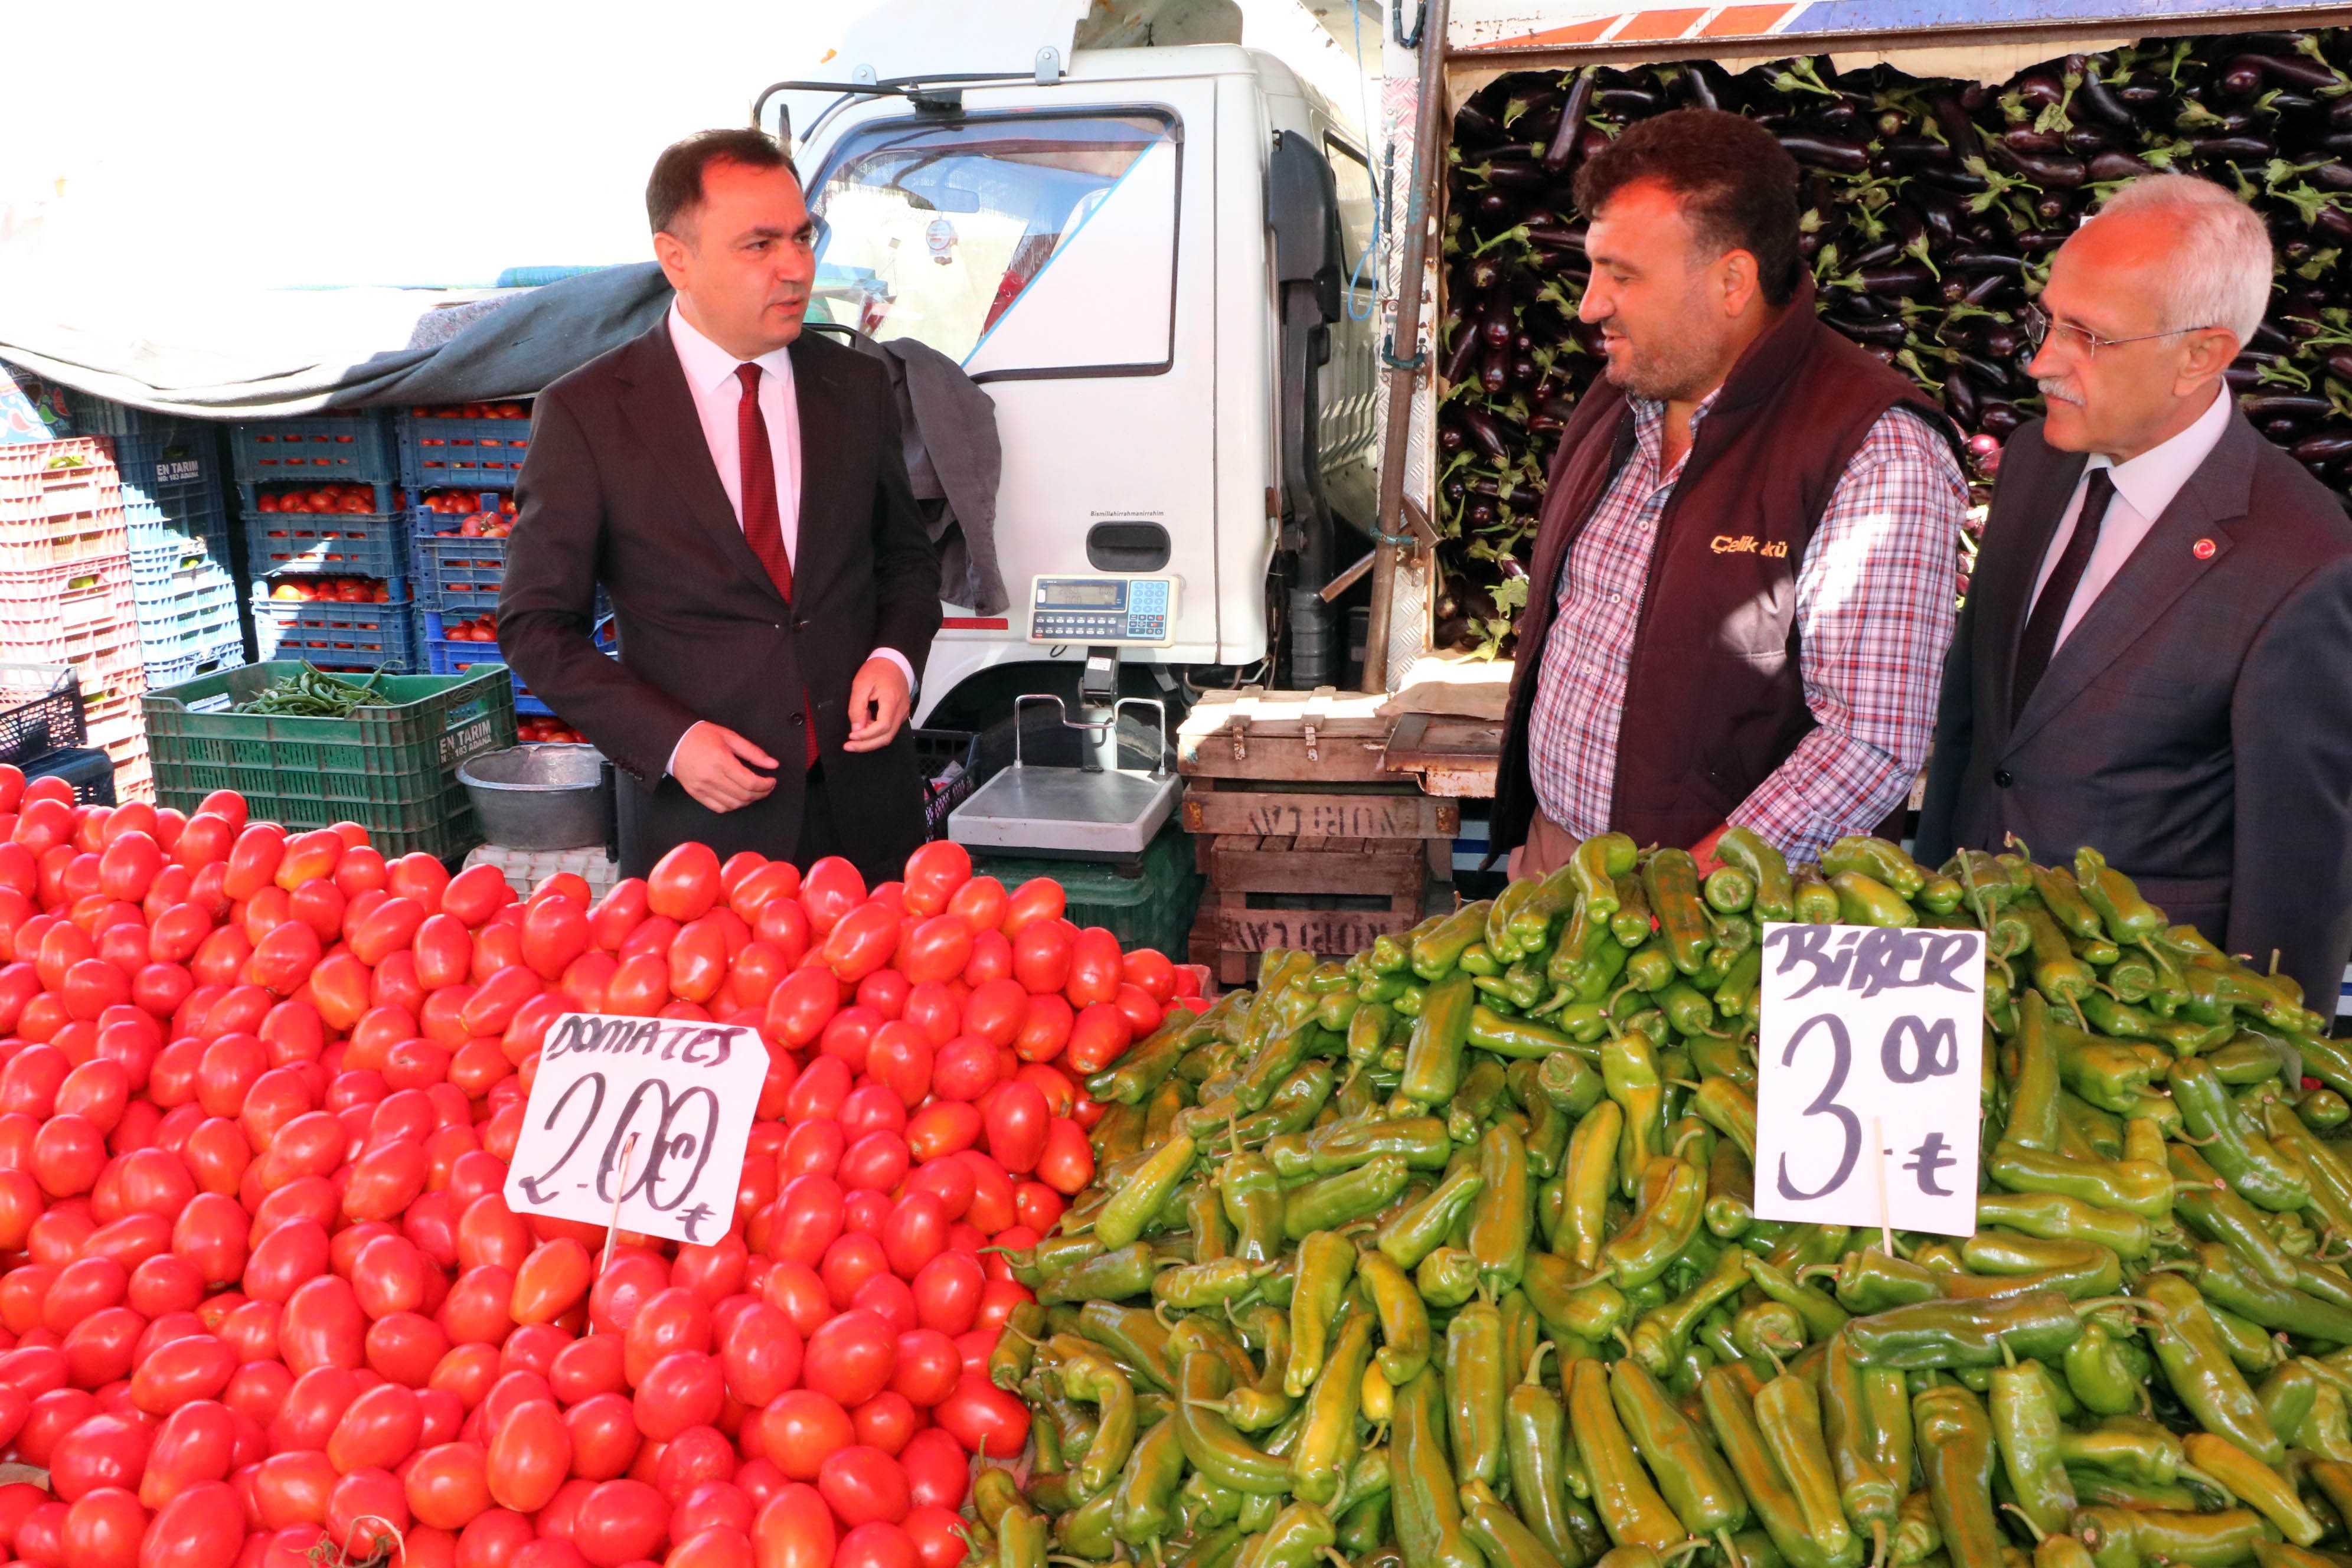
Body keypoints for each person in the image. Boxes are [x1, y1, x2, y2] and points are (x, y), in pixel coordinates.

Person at [1492, 110, 1971, 880]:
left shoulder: (1875, 448)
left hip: (1729, 912)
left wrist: (1688, 893)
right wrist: (1537, 842)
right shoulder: (1623, 393)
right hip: (1558, 866)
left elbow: (1870, 742)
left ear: (1732, 282)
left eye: (1623, 276)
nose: (1590, 306)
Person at [1917, 175, 2352, 1017]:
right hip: (1967, 977)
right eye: (2049, 320)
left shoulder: (2303, 562)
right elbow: (1975, 730)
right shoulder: (2037, 466)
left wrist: (2260, 1068)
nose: (2043, 361)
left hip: (2141, 1027)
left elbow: (2299, 864)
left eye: (2090, 337)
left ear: (2202, 355)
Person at [500, 129, 942, 883]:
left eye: (803, 237)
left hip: (869, 820)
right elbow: (537, 626)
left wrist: (895, 657)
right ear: (677, 259)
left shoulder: (855, 386)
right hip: (702, 838)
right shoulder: (589, 414)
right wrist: (671, 742)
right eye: (759, 245)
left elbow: (904, 559)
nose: (796, 267)